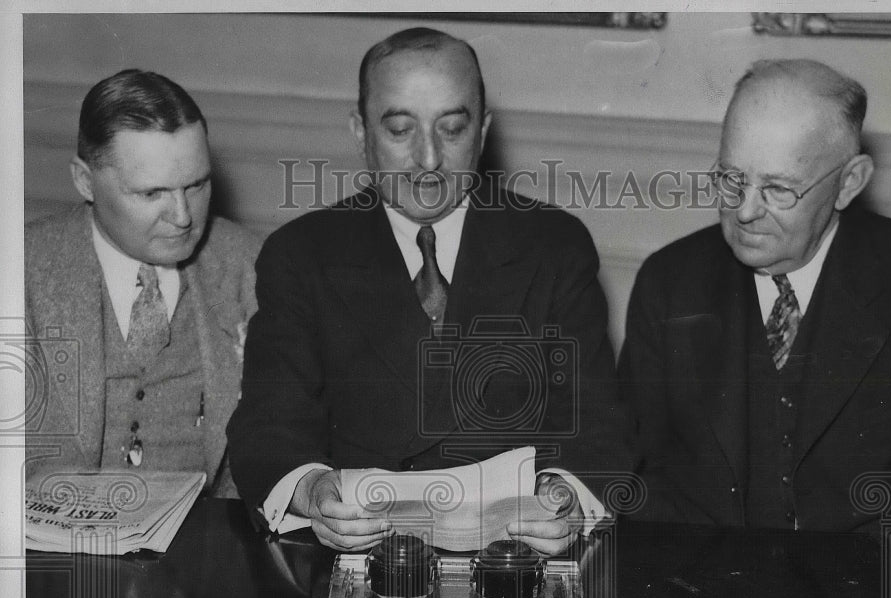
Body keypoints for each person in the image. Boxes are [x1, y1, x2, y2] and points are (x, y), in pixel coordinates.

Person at [227, 28, 634, 555]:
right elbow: (269, 425)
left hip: (516, 563)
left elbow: (598, 422)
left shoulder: (555, 247)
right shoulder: (301, 256)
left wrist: (568, 499)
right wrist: (310, 492)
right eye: (399, 129)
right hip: (355, 559)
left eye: (453, 128)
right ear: (360, 132)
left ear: (483, 131)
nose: (428, 158)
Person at [619, 59, 891, 535]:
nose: (744, 211)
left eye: (779, 190)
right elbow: (637, 482)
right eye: (730, 178)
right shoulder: (670, 283)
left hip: (880, 592)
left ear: (849, 182)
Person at [25, 69, 260, 497]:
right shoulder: (21, 270)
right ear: (84, 181)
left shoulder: (251, 264)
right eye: (152, 193)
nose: (183, 216)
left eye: (197, 185)